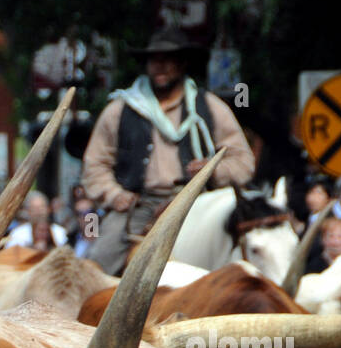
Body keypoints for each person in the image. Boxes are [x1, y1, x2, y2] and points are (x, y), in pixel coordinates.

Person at [81, 27, 255, 274]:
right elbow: (94, 165)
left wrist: (212, 170)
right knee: (98, 263)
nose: (159, 67)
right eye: (154, 60)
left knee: (253, 252)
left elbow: (243, 161)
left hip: (198, 202)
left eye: (167, 59)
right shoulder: (120, 109)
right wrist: (114, 194)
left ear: (182, 63)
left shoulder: (209, 107)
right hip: (139, 205)